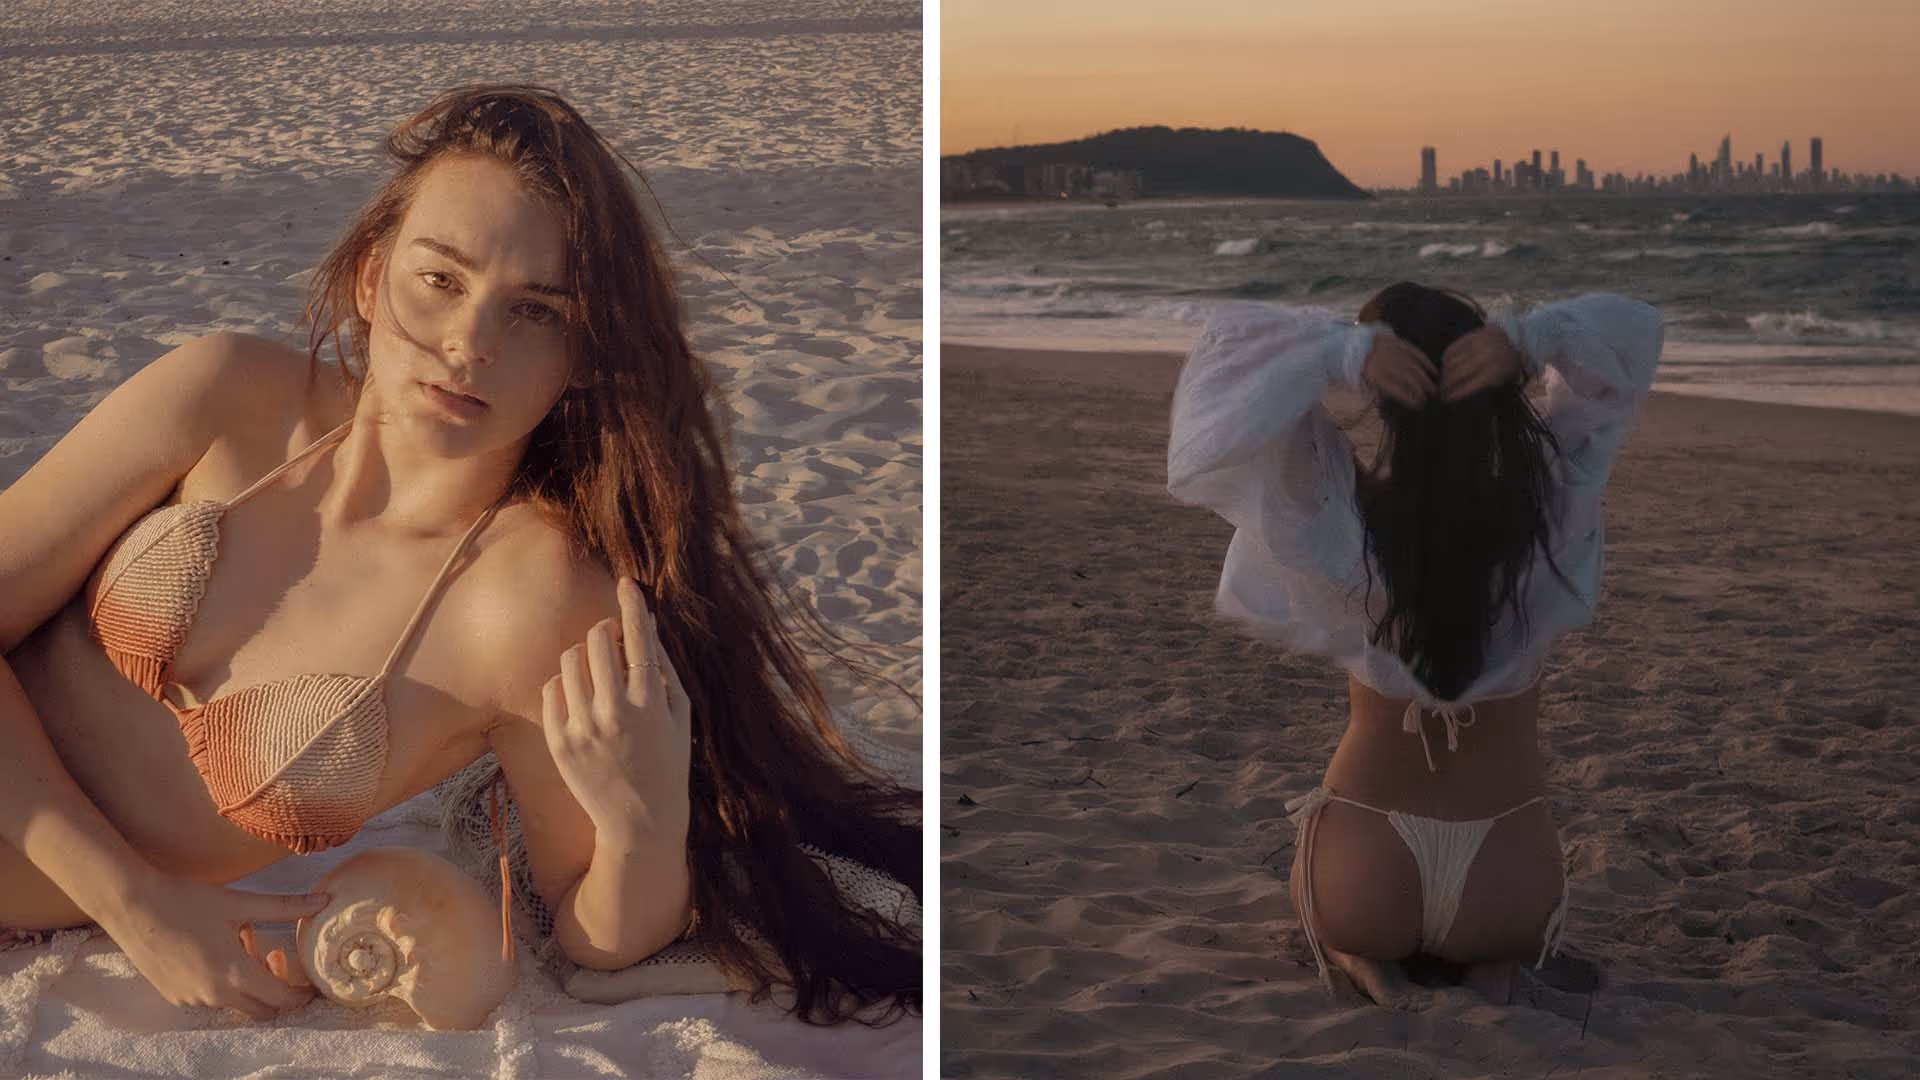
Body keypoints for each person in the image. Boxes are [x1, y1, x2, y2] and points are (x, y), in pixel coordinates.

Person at [0, 83, 918, 1025]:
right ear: (370, 276)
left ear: (585, 354)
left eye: (536, 313)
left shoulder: (533, 603)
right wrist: (134, 903)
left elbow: (594, 932)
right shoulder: (225, 401)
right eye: (441, 279)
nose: (468, 343)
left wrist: (644, 822)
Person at [1166, 281, 1662, 1005]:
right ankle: (1491, 965)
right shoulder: (1550, 508)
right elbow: (1632, 331)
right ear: (1495, 385)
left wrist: (1341, 352)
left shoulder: (1338, 529)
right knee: (1502, 932)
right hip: (1508, 874)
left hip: (1368, 871)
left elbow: (1222, 380)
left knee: (1340, 906)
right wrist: (1528, 339)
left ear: (1382, 396)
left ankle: (1362, 958)